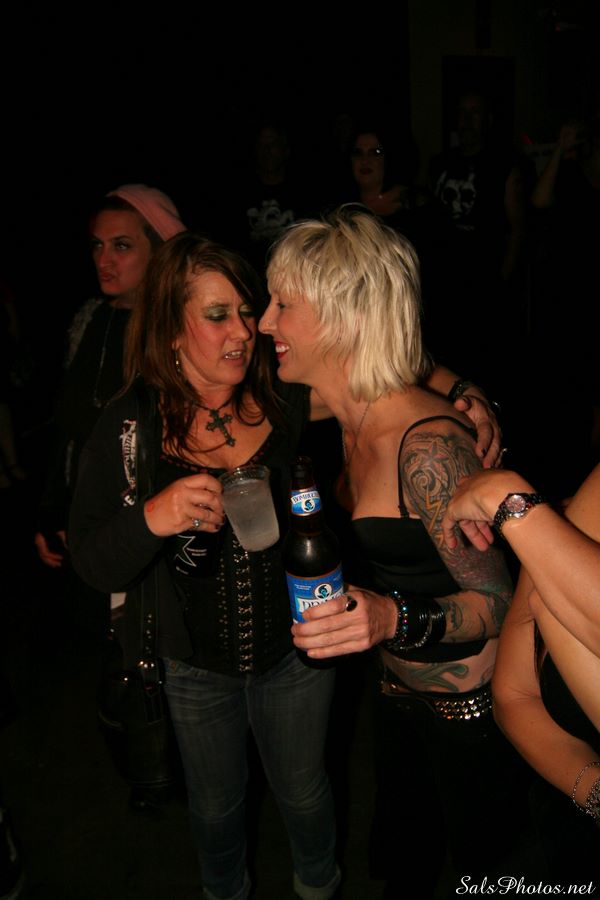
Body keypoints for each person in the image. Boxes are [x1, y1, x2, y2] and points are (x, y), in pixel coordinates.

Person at [67, 226, 502, 900]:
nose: (245, 330)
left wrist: (468, 393)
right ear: (172, 329)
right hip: (192, 664)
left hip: (296, 654)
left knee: (304, 791)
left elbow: (381, 367)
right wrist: (152, 516)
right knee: (216, 808)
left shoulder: (279, 393)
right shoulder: (131, 426)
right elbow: (92, 562)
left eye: (248, 310)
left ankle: (318, 887)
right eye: (218, 315)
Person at [259, 207, 526, 899]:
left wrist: (390, 617)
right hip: (396, 691)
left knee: (493, 878)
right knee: (405, 864)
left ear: (342, 319)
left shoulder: (427, 446)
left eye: (283, 305)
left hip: (469, 712)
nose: (264, 323)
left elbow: (500, 602)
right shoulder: (337, 409)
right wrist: (464, 385)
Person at [34, 184, 185, 635]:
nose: (105, 259)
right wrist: (53, 510)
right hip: (89, 519)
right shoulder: (90, 319)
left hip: (149, 523)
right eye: (97, 245)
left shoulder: (177, 330)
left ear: (159, 250)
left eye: (122, 246)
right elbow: (68, 426)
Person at [441, 464, 600, 886]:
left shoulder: (539, 519)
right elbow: (514, 694)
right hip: (568, 816)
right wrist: (595, 792)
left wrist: (508, 499)